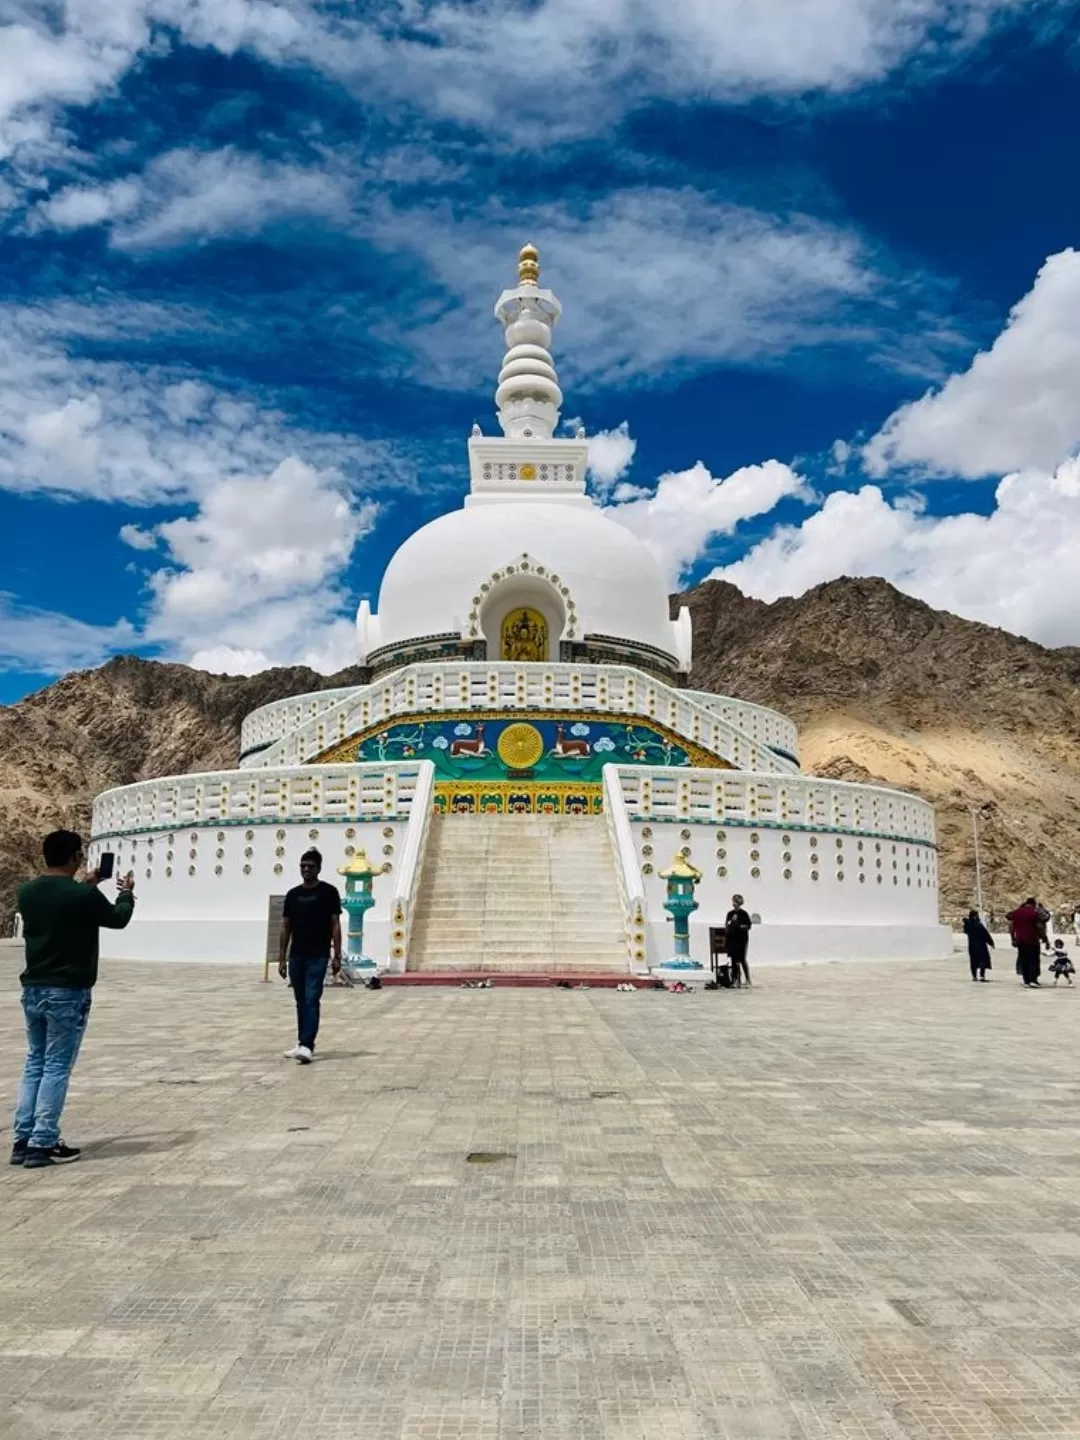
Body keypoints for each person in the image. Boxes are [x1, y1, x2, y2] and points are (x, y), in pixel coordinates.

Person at [11, 830, 135, 1168]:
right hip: (67, 990)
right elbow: (117, 919)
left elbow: (63, 908)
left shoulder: (27, 892)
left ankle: (22, 1138)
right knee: (56, 1066)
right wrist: (126, 894)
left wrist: (86, 885)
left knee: (35, 1062)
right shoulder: (80, 896)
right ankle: (42, 1142)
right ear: (73, 858)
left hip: (33, 986)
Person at [278, 849, 342, 1063]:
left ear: (319, 868)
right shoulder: (293, 895)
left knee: (312, 998)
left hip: (318, 954)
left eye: (310, 866)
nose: (306, 869)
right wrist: (281, 958)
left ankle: (307, 1044)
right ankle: (301, 1041)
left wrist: (337, 955)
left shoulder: (328, 892)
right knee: (300, 1001)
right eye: (303, 865)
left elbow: (335, 924)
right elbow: (286, 927)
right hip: (297, 955)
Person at [1007, 897, 1049, 988]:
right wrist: (1045, 938)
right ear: (1033, 904)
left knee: (1024, 960)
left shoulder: (1017, 912)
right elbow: (1039, 926)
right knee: (1033, 960)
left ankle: (1026, 981)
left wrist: (1013, 939)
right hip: (1032, 940)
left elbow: (1011, 926)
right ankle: (1033, 980)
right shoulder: (1034, 913)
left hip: (1020, 941)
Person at [725, 894, 753, 988]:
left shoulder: (744, 914)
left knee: (742, 959)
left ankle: (748, 979)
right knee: (734, 960)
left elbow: (748, 926)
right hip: (732, 939)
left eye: (736, 902)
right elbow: (727, 925)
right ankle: (736, 980)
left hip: (741, 940)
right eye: (734, 901)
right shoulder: (730, 914)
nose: (734, 904)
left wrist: (739, 925)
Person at [963, 910, 994, 981]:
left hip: (971, 946)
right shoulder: (978, 925)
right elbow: (985, 935)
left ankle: (974, 976)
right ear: (975, 916)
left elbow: (965, 931)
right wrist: (991, 942)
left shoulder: (968, 925)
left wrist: (965, 922)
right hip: (981, 945)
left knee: (973, 961)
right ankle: (982, 976)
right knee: (983, 960)